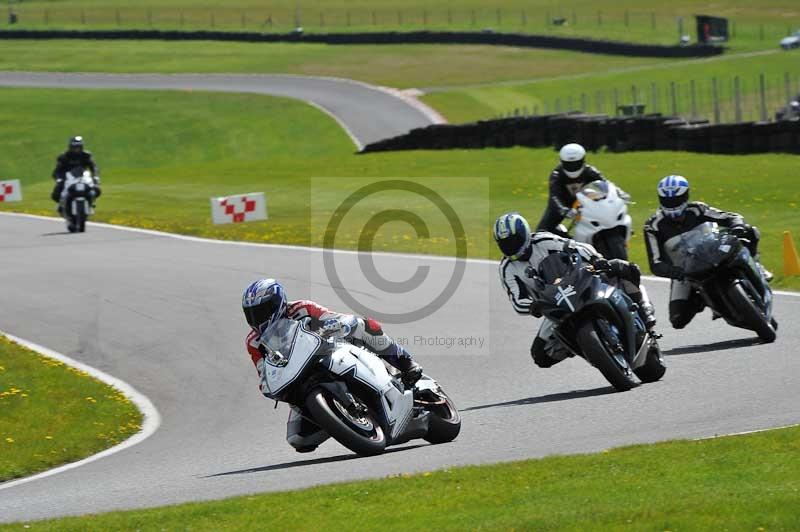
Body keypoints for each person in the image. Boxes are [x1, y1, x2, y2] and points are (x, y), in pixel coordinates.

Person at [242, 278, 422, 453]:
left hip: (329, 353)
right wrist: (267, 386)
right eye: (251, 314)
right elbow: (263, 372)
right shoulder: (254, 342)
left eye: (262, 310)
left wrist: (336, 325)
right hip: (299, 379)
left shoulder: (302, 308)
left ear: (278, 302)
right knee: (299, 438)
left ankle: (405, 362)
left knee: (363, 325)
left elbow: (333, 318)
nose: (257, 317)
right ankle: (340, 418)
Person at [494, 212, 656, 369]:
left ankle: (643, 309)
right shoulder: (507, 268)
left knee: (626, 268)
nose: (510, 246)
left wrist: (596, 260)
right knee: (540, 355)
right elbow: (517, 300)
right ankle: (580, 345)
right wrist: (533, 306)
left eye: (514, 240)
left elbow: (575, 247)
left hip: (579, 281)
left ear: (525, 233)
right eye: (505, 243)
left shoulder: (542, 240)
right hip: (553, 305)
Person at [644, 175, 772, 329]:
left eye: (676, 200)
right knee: (678, 319)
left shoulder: (697, 209)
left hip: (713, 253)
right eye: (668, 201)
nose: (672, 205)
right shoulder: (653, 226)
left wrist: (737, 226)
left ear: (686, 196)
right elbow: (655, 262)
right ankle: (703, 299)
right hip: (685, 271)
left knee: (750, 231)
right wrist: (674, 272)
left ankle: (756, 264)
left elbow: (730, 216)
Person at [536, 143, 629, 233]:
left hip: (586, 204)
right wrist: (564, 210)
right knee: (541, 231)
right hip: (563, 205)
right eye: (569, 164)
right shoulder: (556, 175)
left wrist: (619, 192)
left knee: (608, 219)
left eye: (576, 164)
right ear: (562, 162)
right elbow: (554, 197)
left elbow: (606, 184)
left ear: (583, 161)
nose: (572, 168)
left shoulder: (590, 171)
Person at [51, 136, 100, 204]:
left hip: (83, 177)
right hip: (67, 178)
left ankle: (90, 202)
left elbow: (94, 167)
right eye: (75, 147)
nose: (77, 149)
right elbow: (57, 171)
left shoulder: (86, 155)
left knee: (97, 189)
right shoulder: (64, 157)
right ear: (70, 147)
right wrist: (59, 179)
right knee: (56, 194)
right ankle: (62, 205)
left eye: (79, 147)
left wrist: (95, 177)